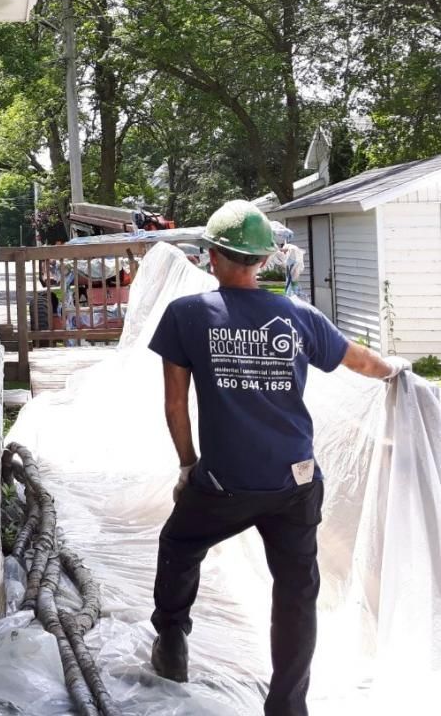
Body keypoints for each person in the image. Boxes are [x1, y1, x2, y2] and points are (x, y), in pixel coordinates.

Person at [146, 200, 410, 716]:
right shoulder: (298, 316)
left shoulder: (188, 316)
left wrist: (187, 466)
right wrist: (398, 372)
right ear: (263, 261)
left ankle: (172, 641)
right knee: (295, 590)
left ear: (213, 256)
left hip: (223, 483)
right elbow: (361, 360)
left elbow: (175, 405)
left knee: (180, 542)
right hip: (296, 482)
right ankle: (288, 706)